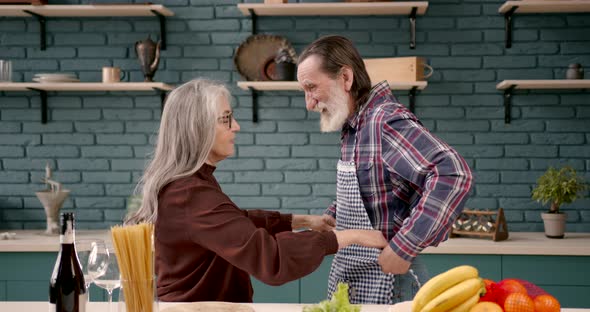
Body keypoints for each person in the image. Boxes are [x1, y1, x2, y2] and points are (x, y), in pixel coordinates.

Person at [125, 78, 388, 303]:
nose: (236, 127)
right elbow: (272, 259)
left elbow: (235, 222)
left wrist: (303, 221)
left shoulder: (189, 186)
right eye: (227, 119)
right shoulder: (189, 194)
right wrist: (350, 236)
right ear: (199, 128)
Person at [297, 36, 473, 304]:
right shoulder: (354, 127)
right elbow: (374, 190)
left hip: (390, 282)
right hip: (358, 275)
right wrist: (333, 216)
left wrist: (404, 246)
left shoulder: (383, 120)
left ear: (345, 78)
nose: (309, 103)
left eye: (312, 88)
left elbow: (453, 173)